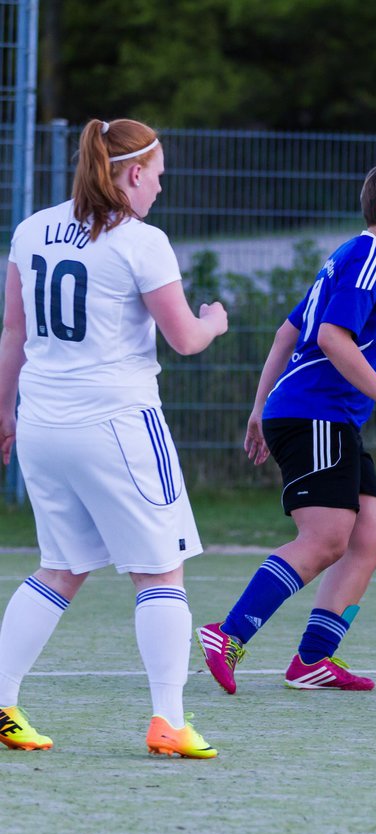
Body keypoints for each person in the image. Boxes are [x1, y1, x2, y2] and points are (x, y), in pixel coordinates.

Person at [0, 118, 228, 757]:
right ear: (132, 173)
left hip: (43, 422)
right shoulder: (141, 240)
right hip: (118, 423)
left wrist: (4, 412)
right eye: (157, 177)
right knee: (160, 572)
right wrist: (215, 321)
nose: (159, 188)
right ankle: (168, 722)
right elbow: (183, 338)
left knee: (60, 567)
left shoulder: (32, 228)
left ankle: (1, 702)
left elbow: (13, 334)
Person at [197, 161, 376, 694]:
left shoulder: (349, 257)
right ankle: (228, 634)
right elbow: (330, 338)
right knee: (327, 537)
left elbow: (288, 333)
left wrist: (260, 407)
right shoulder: (368, 257)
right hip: (317, 413)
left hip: (320, 414)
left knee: (370, 535)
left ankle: (312, 660)